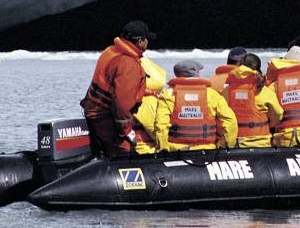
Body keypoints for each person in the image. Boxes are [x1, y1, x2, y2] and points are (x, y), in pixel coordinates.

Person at [80, 21, 156, 157]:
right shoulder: (128, 64)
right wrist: (126, 132)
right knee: (125, 154)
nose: (147, 43)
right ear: (140, 41)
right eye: (146, 39)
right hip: (105, 117)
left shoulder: (111, 51)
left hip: (94, 110)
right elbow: (122, 103)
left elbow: (110, 85)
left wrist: (144, 91)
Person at [154, 60, 237, 151]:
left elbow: (161, 126)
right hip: (207, 150)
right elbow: (230, 122)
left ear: (177, 75)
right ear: (197, 74)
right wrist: (223, 146)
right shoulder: (212, 95)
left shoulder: (168, 95)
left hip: (176, 151)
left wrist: (163, 150)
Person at [223, 53, 283, 148]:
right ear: (258, 68)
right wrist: (269, 125)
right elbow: (278, 114)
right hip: (261, 143)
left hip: (235, 144)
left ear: (239, 67)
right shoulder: (265, 92)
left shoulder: (227, 91)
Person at [131, 55, 167, 153]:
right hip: (145, 149)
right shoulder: (148, 101)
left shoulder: (127, 96)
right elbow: (156, 131)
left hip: (131, 147)